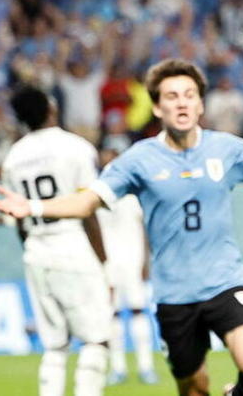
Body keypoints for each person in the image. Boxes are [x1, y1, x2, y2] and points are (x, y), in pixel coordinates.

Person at [0, 58, 243, 396]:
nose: (182, 102)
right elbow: (87, 200)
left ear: (201, 104)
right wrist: (35, 206)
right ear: (157, 106)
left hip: (224, 280)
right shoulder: (138, 160)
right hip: (174, 294)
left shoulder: (226, 149)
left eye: (189, 95)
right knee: (193, 387)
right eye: (172, 96)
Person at [1, 85, 114, 396]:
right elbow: (88, 208)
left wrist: (32, 248)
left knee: (54, 345)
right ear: (51, 109)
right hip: (73, 245)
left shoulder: (13, 158)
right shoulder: (76, 147)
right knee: (96, 338)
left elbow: (19, 217)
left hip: (37, 250)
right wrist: (102, 260)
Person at [96, 143, 158, 386]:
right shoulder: (98, 195)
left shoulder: (132, 195)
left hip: (132, 260)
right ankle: (118, 367)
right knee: (112, 315)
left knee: (137, 310)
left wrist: (145, 260)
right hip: (109, 263)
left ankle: (145, 366)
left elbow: (143, 230)